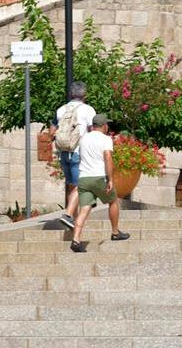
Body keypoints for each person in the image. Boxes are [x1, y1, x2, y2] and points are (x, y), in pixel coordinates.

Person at [69, 114, 130, 252]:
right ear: (104, 126)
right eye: (107, 124)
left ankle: (76, 239)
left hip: (84, 178)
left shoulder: (84, 138)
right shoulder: (105, 139)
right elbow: (107, 157)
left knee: (84, 209)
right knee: (113, 201)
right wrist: (110, 179)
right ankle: (115, 232)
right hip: (99, 177)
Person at [54, 81, 96, 229]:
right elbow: (92, 132)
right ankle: (68, 215)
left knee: (72, 186)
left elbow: (53, 130)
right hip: (79, 152)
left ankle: (73, 220)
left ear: (71, 94)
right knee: (81, 185)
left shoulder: (61, 110)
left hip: (64, 153)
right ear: (85, 94)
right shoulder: (88, 110)